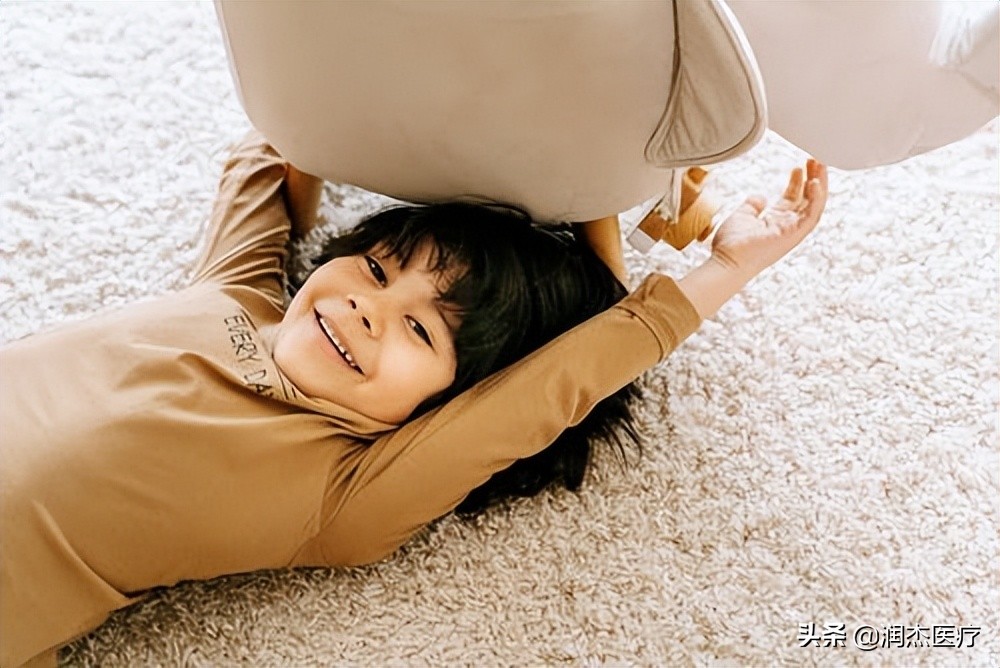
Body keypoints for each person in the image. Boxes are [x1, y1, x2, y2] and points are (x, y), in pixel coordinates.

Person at [0, 130, 828, 668]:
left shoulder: (339, 495)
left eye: (422, 333)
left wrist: (725, 268)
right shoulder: (240, 293)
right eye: (374, 270)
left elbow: (549, 391)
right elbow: (277, 135)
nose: (368, 306)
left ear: (445, 409)